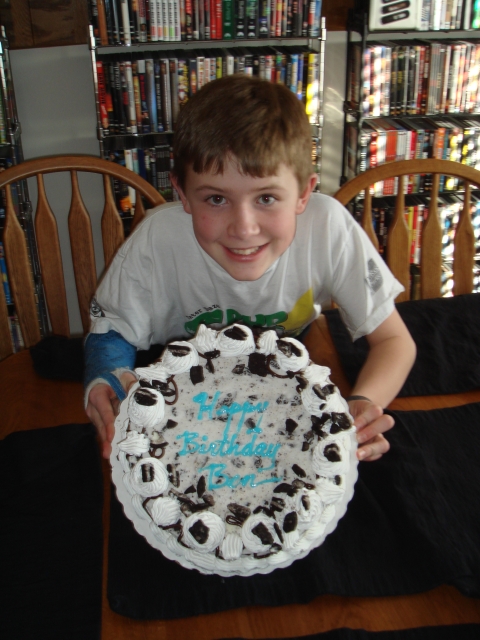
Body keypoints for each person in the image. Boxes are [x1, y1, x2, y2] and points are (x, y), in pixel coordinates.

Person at [85, 74, 416, 462]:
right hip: (188, 419)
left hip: (286, 410)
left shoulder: (329, 227)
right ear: (183, 194)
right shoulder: (158, 239)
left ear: (305, 193)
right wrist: (105, 377)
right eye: (216, 199)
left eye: (267, 197)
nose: (244, 229)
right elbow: (112, 332)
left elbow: (395, 342)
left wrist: (362, 404)